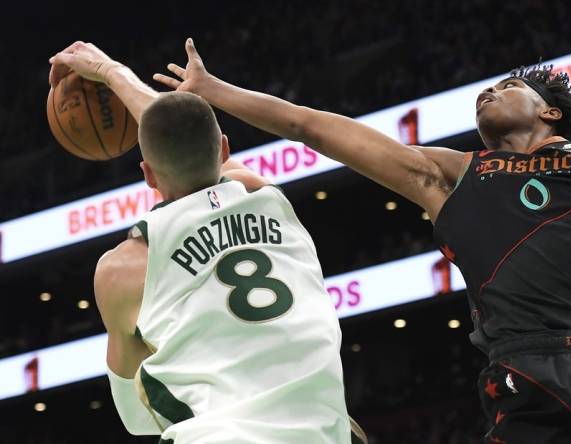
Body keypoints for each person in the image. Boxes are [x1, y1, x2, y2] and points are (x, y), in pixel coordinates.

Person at [152, 0, 571, 441]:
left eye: (509, 86)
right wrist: (213, 91)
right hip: (524, 373)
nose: (490, 91)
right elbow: (312, 127)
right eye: (487, 91)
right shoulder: (451, 175)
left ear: (550, 111)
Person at [48, 43, 367, 444]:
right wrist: (111, 71)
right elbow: (181, 132)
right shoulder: (267, 199)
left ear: (147, 174)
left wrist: (110, 73)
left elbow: (139, 415)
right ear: (226, 148)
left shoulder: (121, 270)